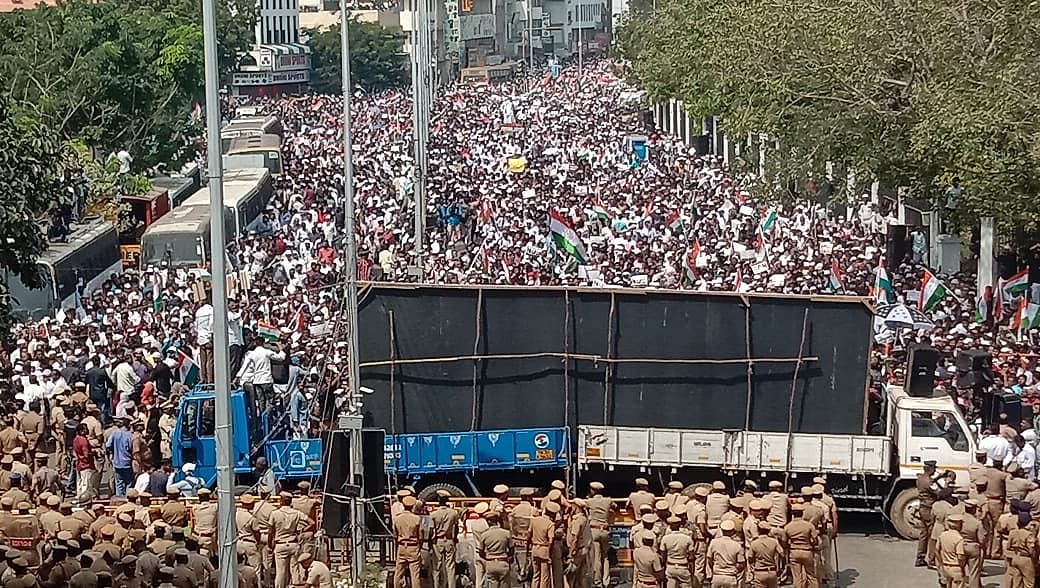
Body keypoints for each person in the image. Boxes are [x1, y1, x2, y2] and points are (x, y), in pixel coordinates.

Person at [782, 504, 819, 588]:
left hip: (794, 551)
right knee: (811, 575)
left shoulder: (788, 527)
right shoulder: (809, 525)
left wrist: (789, 546)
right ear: (802, 513)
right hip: (807, 551)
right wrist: (812, 545)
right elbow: (815, 540)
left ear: (792, 514)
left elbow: (784, 541)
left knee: (797, 577)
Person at [429, 489, 460, 588]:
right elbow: (456, 528)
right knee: (450, 566)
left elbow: (431, 530)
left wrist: (430, 543)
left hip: (438, 541)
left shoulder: (433, 514)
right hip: (450, 540)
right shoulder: (454, 513)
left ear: (438, 500)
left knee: (436, 567)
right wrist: (454, 540)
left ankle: (436, 585)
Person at [586, 481, 614, 588]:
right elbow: (614, 506)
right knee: (605, 556)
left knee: (596, 557)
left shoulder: (589, 501)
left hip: (594, 530)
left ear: (592, 490)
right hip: (605, 530)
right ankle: (606, 580)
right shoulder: (608, 500)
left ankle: (598, 582)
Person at [393, 495, 423, 588]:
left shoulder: (397, 518)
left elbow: (395, 535)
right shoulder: (417, 519)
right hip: (413, 547)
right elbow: (420, 536)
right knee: (415, 574)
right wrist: (419, 546)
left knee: (398, 573)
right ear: (412, 506)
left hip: (402, 547)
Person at [478, 510, 512, 588]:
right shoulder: (506, 533)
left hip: (491, 563)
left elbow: (481, 552)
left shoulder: (484, 535)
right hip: (503, 562)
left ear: (488, 522)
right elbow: (511, 550)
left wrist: (488, 558)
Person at [659, 515, 695, 588]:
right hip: (683, 567)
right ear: (680, 525)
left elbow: (663, 557)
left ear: (670, 526)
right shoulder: (687, 538)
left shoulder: (665, 538)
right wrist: (692, 572)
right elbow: (691, 557)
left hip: (670, 567)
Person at [707, 519, 745, 587]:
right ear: (733, 531)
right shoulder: (737, 545)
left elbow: (709, 559)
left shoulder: (714, 542)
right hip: (730, 576)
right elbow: (741, 564)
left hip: (717, 576)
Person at [915, 460, 939, 567]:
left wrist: (939, 477)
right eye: (934, 468)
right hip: (929, 509)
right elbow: (937, 493)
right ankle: (931, 560)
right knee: (932, 535)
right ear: (930, 469)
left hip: (922, 507)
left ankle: (920, 557)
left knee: (923, 534)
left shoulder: (920, 478)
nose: (935, 470)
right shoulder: (929, 482)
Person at [748, 520, 783, 588]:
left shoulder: (754, 543)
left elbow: (750, 558)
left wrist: (752, 566)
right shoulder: (774, 542)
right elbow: (782, 554)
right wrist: (780, 568)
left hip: (759, 572)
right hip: (772, 571)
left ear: (759, 530)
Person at [936, 514, 967, 588]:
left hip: (945, 566)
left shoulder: (942, 535)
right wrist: (962, 568)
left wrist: (941, 563)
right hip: (956, 567)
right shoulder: (959, 539)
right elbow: (960, 557)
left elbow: (936, 550)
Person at [106, 417, 134, 497]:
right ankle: (128, 498)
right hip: (127, 462)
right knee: (129, 482)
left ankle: (119, 499)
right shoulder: (129, 435)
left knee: (119, 482)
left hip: (117, 462)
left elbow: (108, 445)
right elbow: (130, 448)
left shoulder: (115, 433)